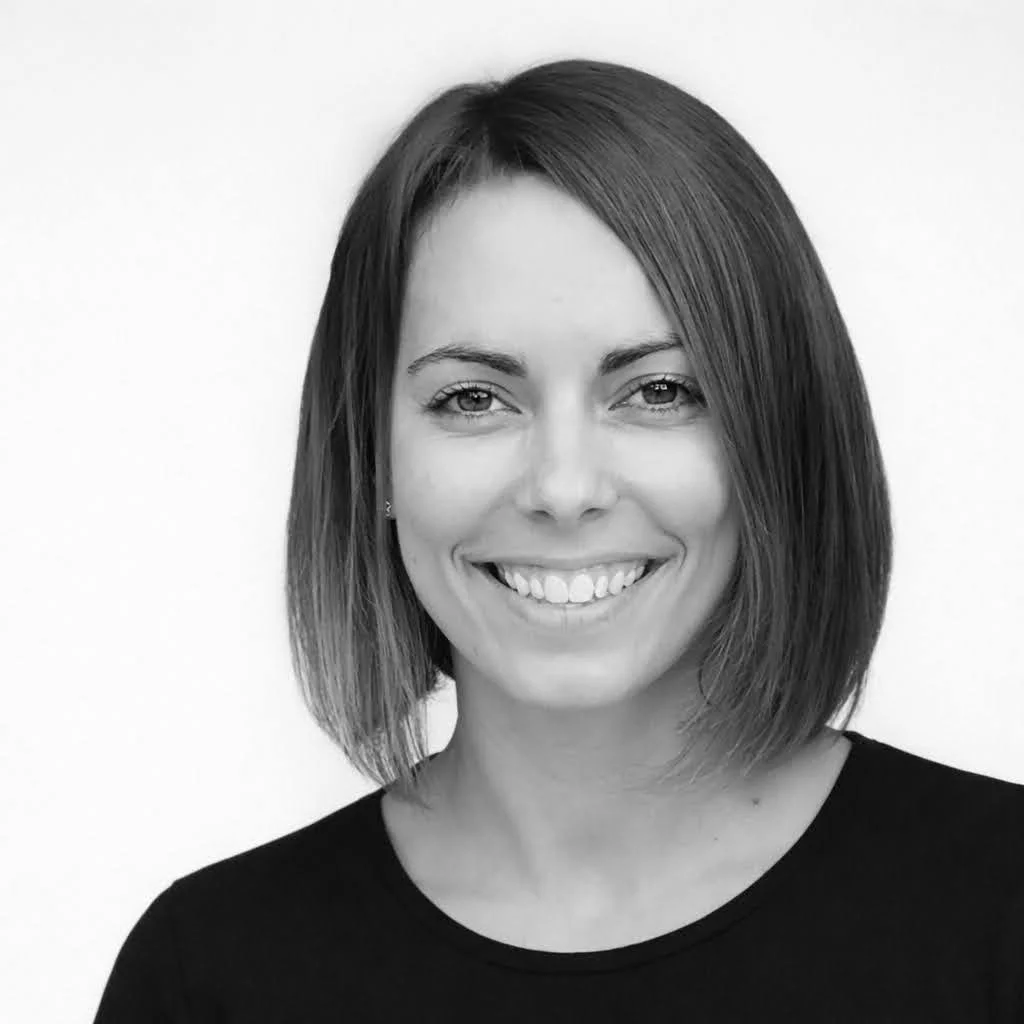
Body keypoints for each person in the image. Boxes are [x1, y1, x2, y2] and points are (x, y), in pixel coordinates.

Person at [92, 57, 1024, 1022]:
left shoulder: (1002, 910)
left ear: (776, 435)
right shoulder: (208, 977)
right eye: (473, 398)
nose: (564, 489)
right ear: (370, 458)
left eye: (659, 391)